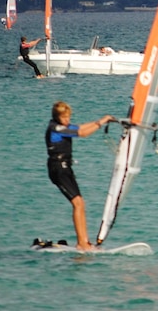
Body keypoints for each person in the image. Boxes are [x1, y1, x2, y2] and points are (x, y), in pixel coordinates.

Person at [45, 101, 117, 251]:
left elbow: (80, 127)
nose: (67, 120)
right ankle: (82, 243)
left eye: (69, 116)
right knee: (78, 203)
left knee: (80, 203)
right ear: (57, 117)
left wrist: (102, 120)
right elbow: (83, 133)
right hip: (58, 169)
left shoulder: (63, 126)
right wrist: (101, 122)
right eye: (64, 117)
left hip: (66, 168)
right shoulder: (56, 128)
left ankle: (84, 242)